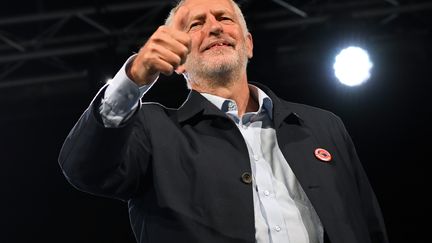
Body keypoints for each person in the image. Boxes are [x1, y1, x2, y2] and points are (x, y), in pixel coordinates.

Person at [58, 0, 389, 242]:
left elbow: (368, 225)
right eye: (196, 24)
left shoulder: (323, 126)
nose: (214, 27)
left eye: (224, 18)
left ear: (248, 43)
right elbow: (84, 169)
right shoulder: (151, 128)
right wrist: (132, 79)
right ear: (179, 60)